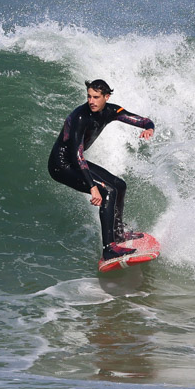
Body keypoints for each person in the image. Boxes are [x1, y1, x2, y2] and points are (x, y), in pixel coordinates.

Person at [48, 79, 155, 261]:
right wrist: (92, 187)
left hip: (76, 162)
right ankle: (109, 248)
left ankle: (119, 234)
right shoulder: (80, 117)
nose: (91, 101)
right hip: (61, 165)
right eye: (89, 96)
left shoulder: (112, 111)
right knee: (107, 191)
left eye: (96, 97)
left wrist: (149, 128)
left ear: (107, 97)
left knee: (120, 185)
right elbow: (76, 153)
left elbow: (143, 121)